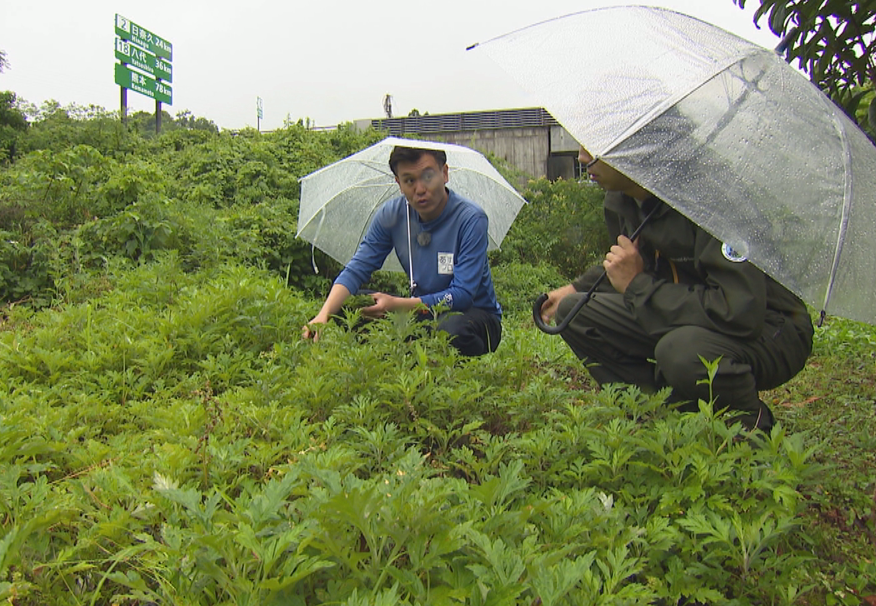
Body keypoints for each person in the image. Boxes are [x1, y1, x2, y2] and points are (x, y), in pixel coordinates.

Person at [538, 149, 814, 431]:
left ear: (636, 147)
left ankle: (750, 430)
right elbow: (635, 263)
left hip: (771, 328)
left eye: (593, 148)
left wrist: (637, 287)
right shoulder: (623, 199)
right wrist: (575, 288)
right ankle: (666, 416)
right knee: (576, 310)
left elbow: (738, 311)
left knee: (681, 351)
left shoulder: (712, 199)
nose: (583, 159)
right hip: (689, 314)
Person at [302, 145, 502, 356]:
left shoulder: (470, 219)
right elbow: (357, 269)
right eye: (409, 181)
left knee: (450, 331)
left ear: (444, 173)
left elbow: (462, 295)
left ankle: (460, 371)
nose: (420, 189)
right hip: (421, 310)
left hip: (474, 315)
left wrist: (398, 305)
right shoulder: (393, 215)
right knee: (350, 304)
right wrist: (323, 314)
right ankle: (394, 357)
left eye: (427, 176)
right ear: (399, 183)